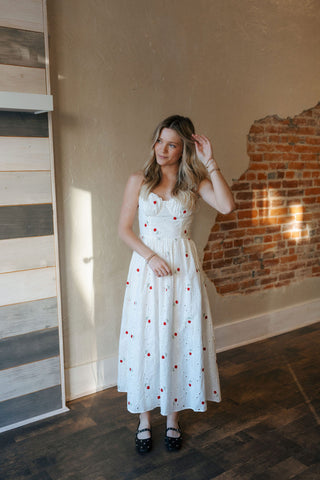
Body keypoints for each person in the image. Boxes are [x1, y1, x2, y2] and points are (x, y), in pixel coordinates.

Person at [117, 115, 235, 453]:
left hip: (183, 274)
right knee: (145, 340)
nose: (162, 150)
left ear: (184, 149)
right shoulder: (138, 180)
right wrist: (150, 257)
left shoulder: (193, 183)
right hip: (147, 272)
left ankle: (172, 419)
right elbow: (125, 229)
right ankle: (143, 420)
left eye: (171, 144)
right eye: (159, 141)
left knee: (178, 339)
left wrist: (210, 161)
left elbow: (226, 206)